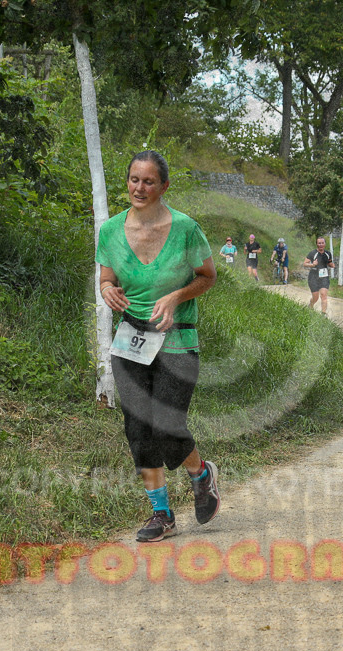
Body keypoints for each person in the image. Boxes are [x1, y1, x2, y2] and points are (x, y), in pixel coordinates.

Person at [96, 150, 221, 543]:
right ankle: (161, 514)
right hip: (130, 341)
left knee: (167, 425)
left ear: (164, 186)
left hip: (177, 339)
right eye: (134, 179)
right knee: (138, 430)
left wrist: (176, 296)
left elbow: (208, 276)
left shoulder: (185, 229)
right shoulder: (111, 231)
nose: (139, 187)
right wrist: (108, 291)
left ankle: (201, 475)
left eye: (149, 181)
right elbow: (106, 278)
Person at [304, 237, 334, 314]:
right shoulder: (313, 253)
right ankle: (310, 306)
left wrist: (332, 265)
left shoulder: (328, 254)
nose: (321, 245)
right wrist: (312, 264)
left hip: (324, 277)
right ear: (317, 244)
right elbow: (305, 263)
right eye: (319, 243)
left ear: (325, 244)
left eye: (322, 243)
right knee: (315, 297)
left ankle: (323, 314)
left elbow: (329, 262)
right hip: (313, 277)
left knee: (324, 295)